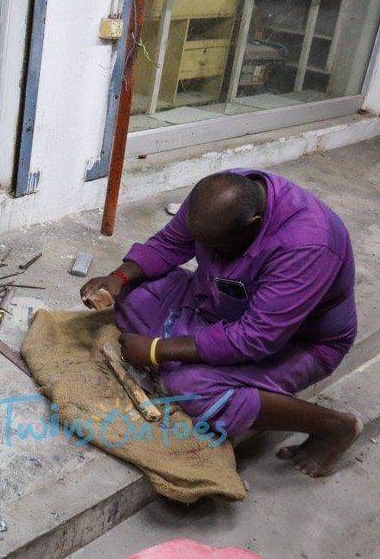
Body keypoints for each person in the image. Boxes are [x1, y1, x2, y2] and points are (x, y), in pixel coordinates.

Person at [80, 169, 361, 477]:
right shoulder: (216, 194)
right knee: (134, 293)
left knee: (191, 386)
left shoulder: (308, 246)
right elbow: (169, 245)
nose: (208, 253)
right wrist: (119, 277)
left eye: (218, 248)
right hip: (213, 304)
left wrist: (158, 350)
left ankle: (334, 427)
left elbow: (255, 338)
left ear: (253, 227)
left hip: (295, 342)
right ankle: (190, 354)